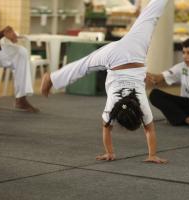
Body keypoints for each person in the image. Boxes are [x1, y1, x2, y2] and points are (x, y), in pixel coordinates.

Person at [41, 0, 169, 164]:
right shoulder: (112, 108)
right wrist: (109, 152)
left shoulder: (142, 107)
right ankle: (51, 78)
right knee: (84, 65)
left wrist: (152, 155)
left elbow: (149, 130)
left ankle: (52, 78)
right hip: (115, 58)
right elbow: (106, 128)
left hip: (135, 51)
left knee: (150, 16)